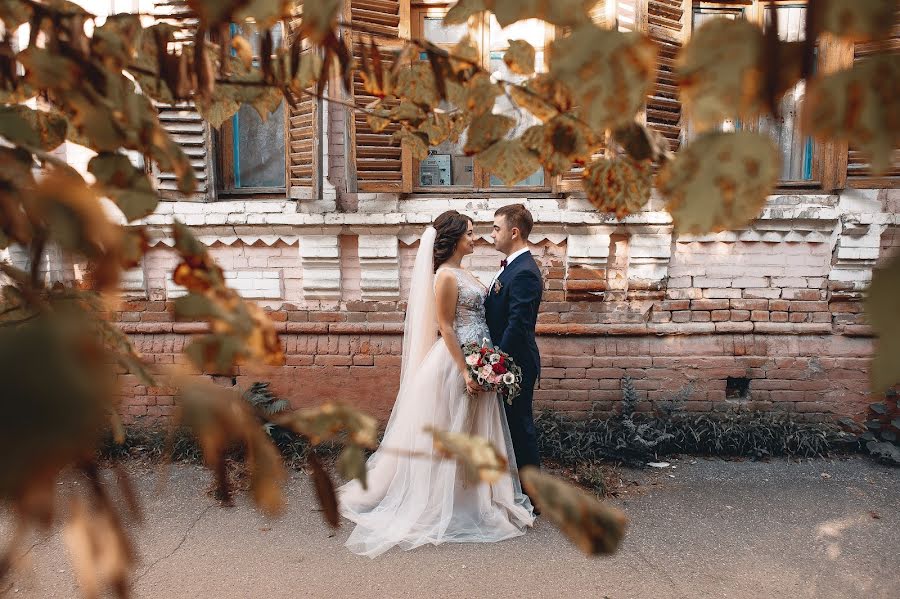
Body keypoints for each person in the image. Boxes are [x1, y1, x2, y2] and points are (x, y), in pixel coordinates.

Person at [338, 210, 534, 559]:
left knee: (475, 430)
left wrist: (486, 363)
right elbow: (445, 326)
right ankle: (448, 499)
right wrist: (465, 370)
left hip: (481, 357)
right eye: (470, 233)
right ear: (454, 238)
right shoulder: (445, 276)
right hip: (456, 361)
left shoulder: (465, 272)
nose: (476, 238)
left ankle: (479, 495)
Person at [484, 204, 543, 473]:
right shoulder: (511, 267)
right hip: (506, 360)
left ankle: (534, 495)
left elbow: (518, 325)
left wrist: (496, 364)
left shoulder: (525, 272)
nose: (492, 234)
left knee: (520, 427)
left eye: (497, 228)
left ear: (514, 232)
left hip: (515, 363)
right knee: (510, 426)